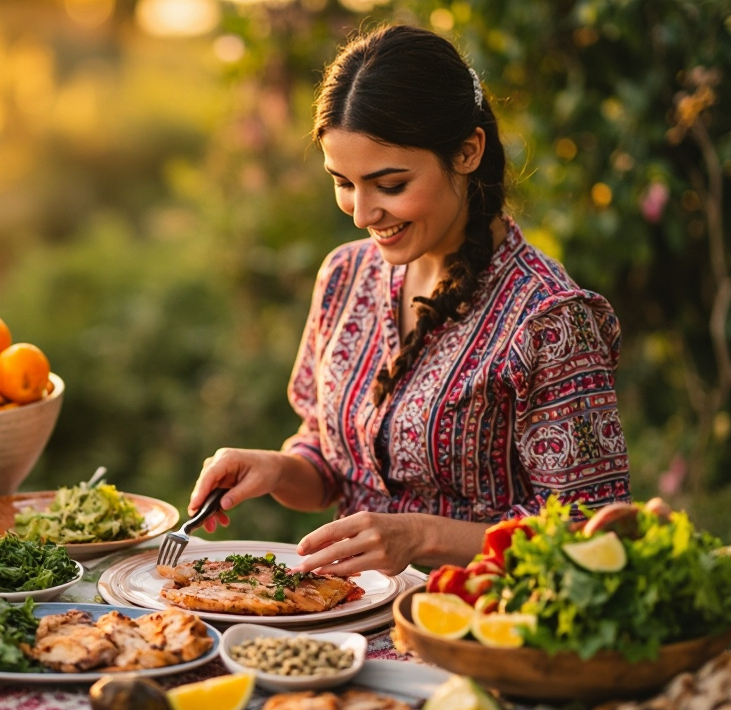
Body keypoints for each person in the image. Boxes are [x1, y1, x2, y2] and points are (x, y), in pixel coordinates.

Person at [189, 24, 631, 577]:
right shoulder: (345, 276)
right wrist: (277, 469)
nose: (360, 212)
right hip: (352, 616)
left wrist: (420, 535)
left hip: (485, 633)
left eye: (390, 185)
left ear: (468, 151)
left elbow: (593, 535)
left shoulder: (551, 318)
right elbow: (332, 464)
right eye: (343, 181)